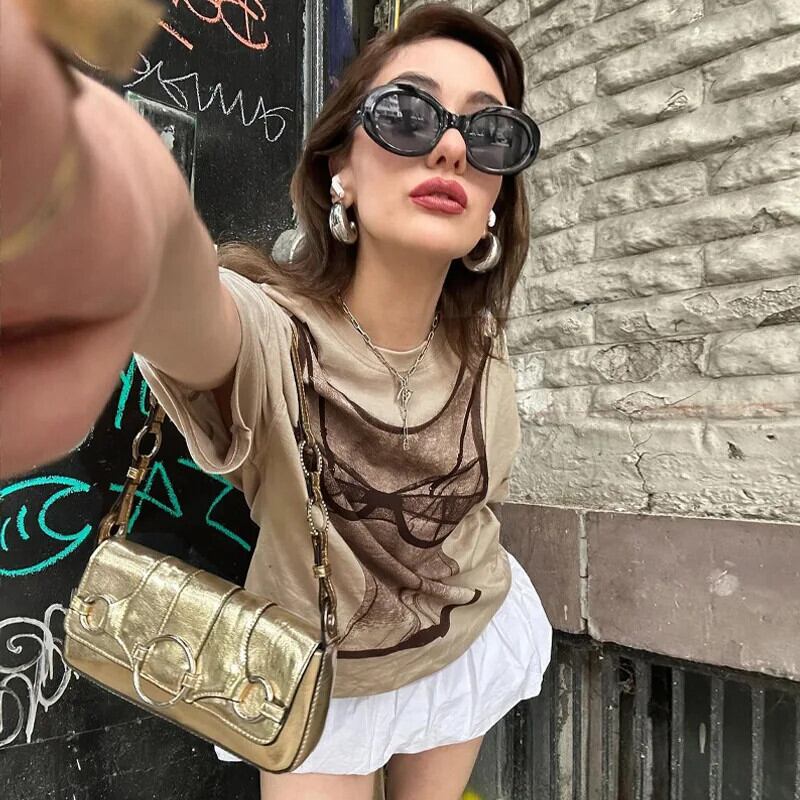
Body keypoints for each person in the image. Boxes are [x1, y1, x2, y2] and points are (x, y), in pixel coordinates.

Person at [1, 1, 553, 797]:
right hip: (312, 682)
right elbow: (187, 300)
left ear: (497, 196)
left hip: (467, 640)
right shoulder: (274, 334)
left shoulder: (482, 345)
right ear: (339, 172)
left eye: (491, 131)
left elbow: (479, 506)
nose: (453, 146)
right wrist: (121, 199)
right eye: (407, 113)